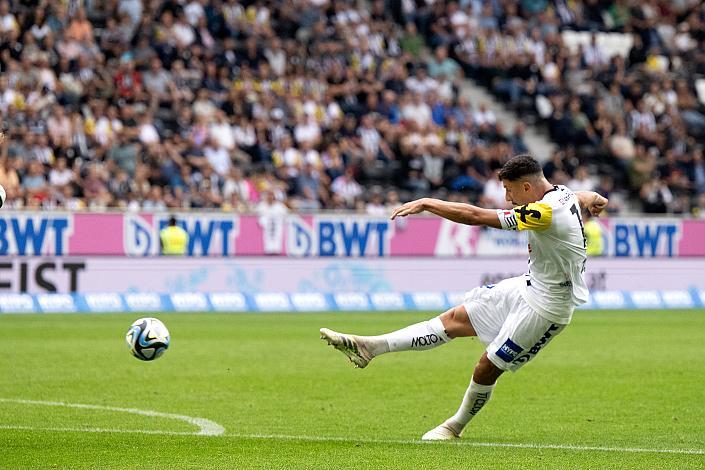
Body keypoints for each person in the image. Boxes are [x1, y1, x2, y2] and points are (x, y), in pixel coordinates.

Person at [320, 155, 608, 440]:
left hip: (546, 307)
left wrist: (429, 203)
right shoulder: (562, 194)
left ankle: (454, 427)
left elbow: (475, 216)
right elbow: (581, 197)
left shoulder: (543, 212)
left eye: (509, 190)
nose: (508, 198)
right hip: (528, 286)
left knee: (487, 366)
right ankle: (370, 347)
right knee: (456, 319)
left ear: (527, 188)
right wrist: (595, 197)